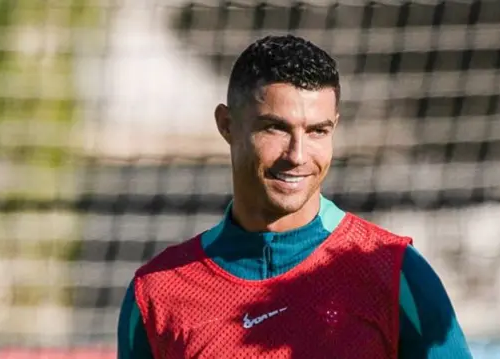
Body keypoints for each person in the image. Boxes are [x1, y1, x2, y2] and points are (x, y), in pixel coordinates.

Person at [117, 35, 472, 358]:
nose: (298, 155)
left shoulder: (396, 271)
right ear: (226, 124)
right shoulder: (156, 293)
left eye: (318, 131)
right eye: (275, 128)